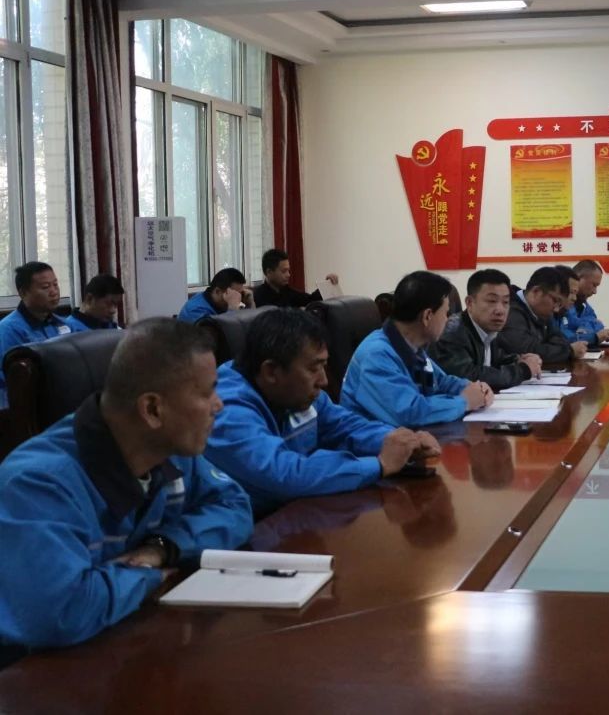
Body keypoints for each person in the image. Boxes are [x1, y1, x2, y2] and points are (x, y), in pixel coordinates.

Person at [0, 319, 253, 650]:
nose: (218, 405)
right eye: (207, 393)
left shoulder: (170, 449)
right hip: (39, 672)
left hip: (127, 639)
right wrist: (145, 575)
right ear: (152, 409)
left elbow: (235, 506)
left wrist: (161, 548)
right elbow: (61, 613)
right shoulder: (37, 484)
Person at [205, 308, 439, 515]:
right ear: (271, 372)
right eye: (313, 368)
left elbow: (344, 425)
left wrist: (399, 440)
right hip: (249, 533)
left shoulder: (293, 392)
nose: (324, 381)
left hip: (298, 514)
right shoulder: (226, 409)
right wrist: (379, 465)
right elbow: (284, 474)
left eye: (324, 366)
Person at [343, 270, 494, 427]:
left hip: (406, 436)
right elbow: (408, 413)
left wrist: (472, 388)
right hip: (371, 441)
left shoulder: (411, 346)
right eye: (445, 313)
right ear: (427, 316)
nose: (447, 319)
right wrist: (464, 402)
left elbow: (440, 382)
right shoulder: (376, 355)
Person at [430, 269, 543, 391]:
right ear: (469, 303)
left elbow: (496, 360)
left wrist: (521, 360)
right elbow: (469, 377)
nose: (500, 310)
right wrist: (523, 370)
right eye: (492, 301)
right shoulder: (452, 332)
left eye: (505, 302)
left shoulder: (487, 328)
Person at [0, 262, 82, 408]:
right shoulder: (8, 330)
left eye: (55, 284)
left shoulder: (65, 324)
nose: (54, 292)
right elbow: (9, 381)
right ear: (23, 293)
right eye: (45, 287)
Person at [498, 266, 586, 365]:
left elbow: (560, 340)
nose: (556, 309)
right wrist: (569, 351)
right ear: (536, 292)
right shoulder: (510, 311)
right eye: (555, 300)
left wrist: (560, 349)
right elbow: (527, 351)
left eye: (560, 304)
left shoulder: (542, 312)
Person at [252, 248, 340, 310]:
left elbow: (310, 300)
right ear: (269, 272)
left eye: (288, 271)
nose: (288, 275)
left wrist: (327, 284)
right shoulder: (257, 296)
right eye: (284, 271)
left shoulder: (287, 292)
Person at [565, 260, 609, 347]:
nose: (595, 292)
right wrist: (593, 336)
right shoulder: (560, 306)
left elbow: (598, 326)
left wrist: (584, 332)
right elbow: (564, 338)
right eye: (594, 285)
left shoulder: (584, 305)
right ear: (578, 279)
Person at [177, 267, 252, 322]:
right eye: (234, 295)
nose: (237, 299)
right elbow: (221, 335)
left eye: (240, 294)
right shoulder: (195, 311)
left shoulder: (219, 304)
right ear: (218, 291)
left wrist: (250, 304)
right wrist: (232, 309)